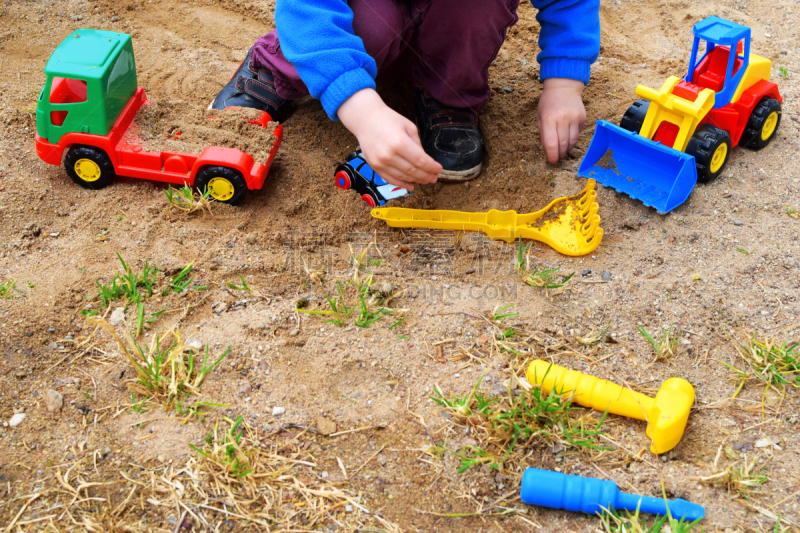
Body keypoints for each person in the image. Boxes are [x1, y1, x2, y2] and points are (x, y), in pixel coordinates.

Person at [211, 0, 600, 191]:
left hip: (444, 26)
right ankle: (278, 70)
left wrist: (564, 82)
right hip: (358, 21)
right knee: (373, 27)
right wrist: (362, 110)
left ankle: (448, 91)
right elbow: (308, 9)